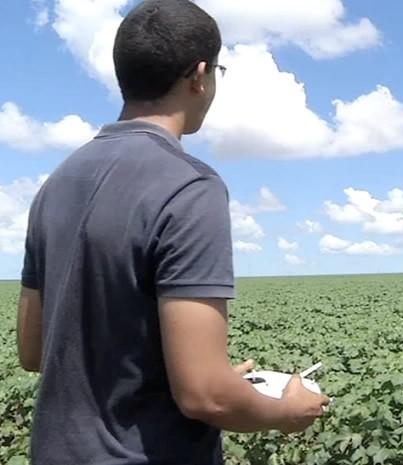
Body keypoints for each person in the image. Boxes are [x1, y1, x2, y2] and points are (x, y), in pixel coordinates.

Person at [15, 1, 330, 464]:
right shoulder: (188, 186)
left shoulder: (56, 183)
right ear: (199, 76)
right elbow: (206, 396)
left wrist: (208, 374)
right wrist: (284, 410)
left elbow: (34, 351)